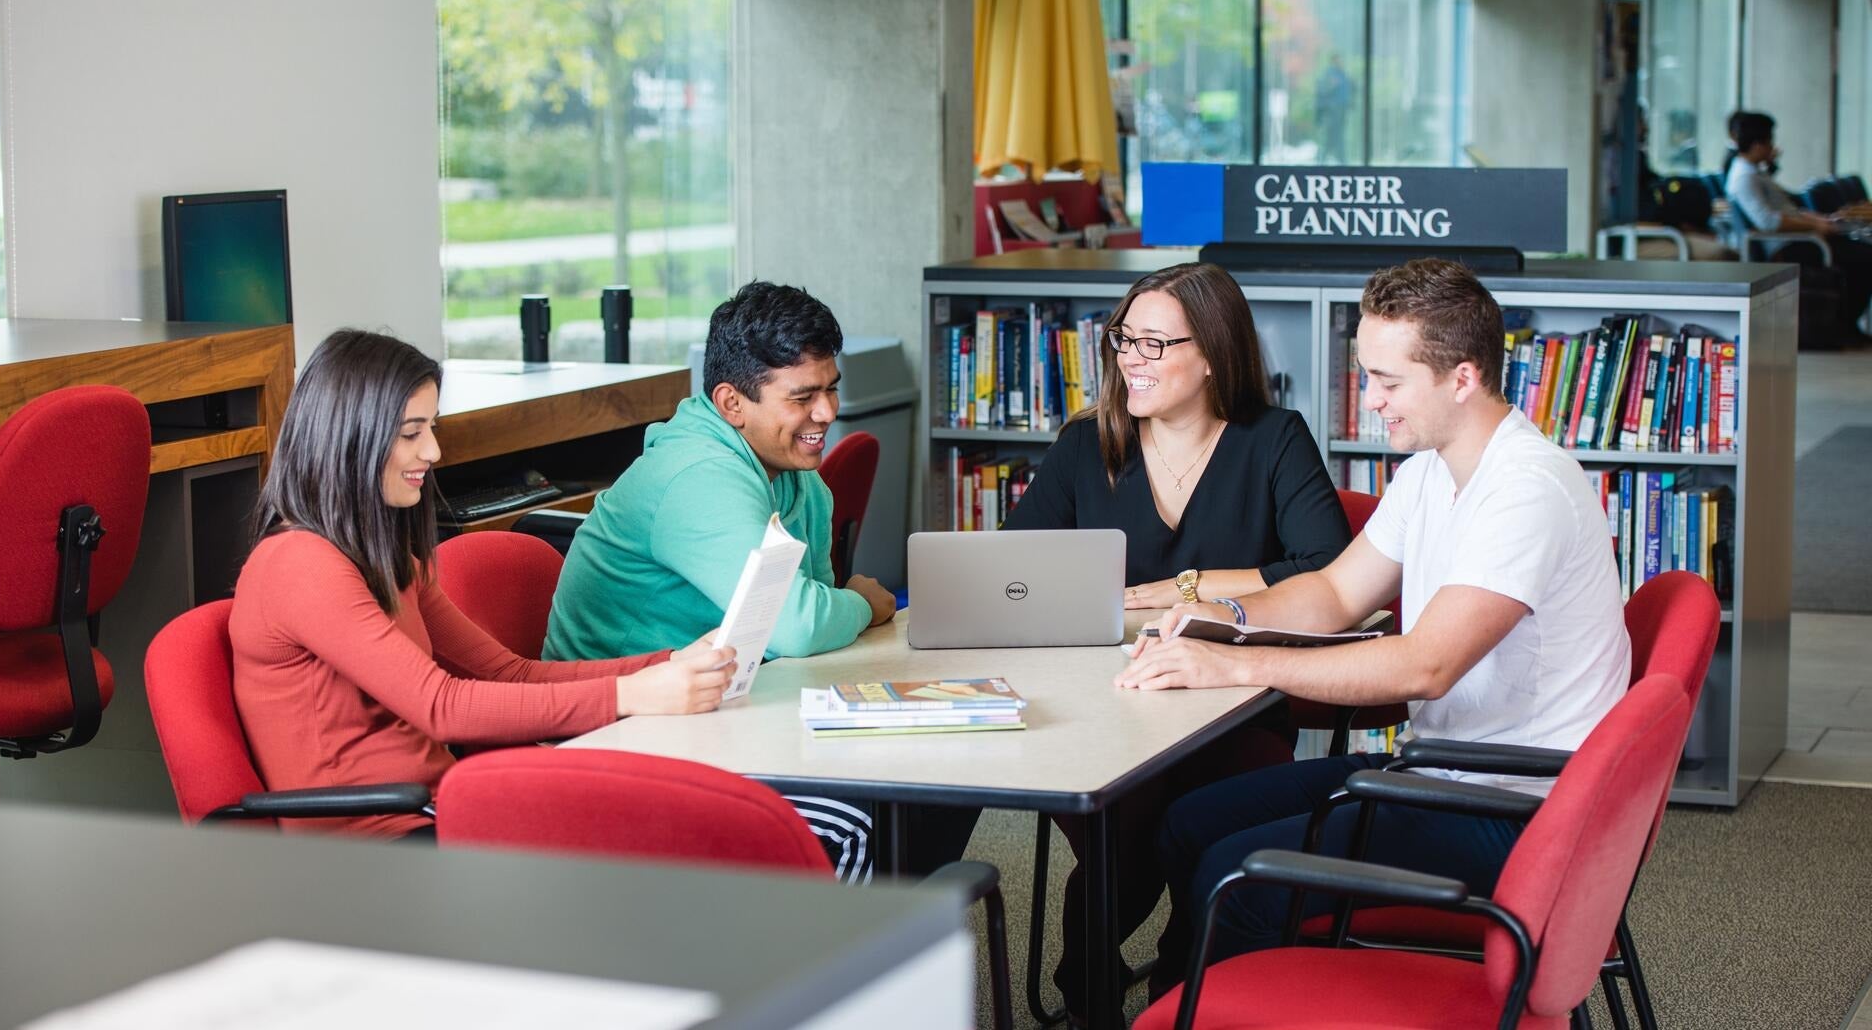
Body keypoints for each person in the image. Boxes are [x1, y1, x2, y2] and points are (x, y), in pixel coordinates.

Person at [1119, 258, 1631, 992]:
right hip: (1443, 772)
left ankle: (1223, 999)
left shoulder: (1526, 490)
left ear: (1462, 377)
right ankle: (1189, 996)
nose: (1371, 401)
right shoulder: (1430, 470)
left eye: (1389, 382)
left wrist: (1237, 666)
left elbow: (1424, 666)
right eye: (1368, 375)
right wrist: (1223, 619)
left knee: (1236, 876)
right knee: (1188, 824)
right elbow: (1332, 593)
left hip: (1519, 810)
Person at [1002, 260, 1352, 1020]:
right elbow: (1013, 571)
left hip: (1234, 703)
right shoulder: (1084, 445)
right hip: (1104, 702)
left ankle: (1178, 987)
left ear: (1213, 354)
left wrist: (1191, 587)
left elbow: (1327, 566)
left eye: (1155, 344)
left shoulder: (1273, 440)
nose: (1131, 357)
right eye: (1125, 338)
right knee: (1122, 823)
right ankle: (1097, 995)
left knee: (1181, 825)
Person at [231, 329, 734, 841]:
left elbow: (508, 674)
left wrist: (667, 665)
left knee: (672, 821)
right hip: (375, 843)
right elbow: (441, 706)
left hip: (439, 809)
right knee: (654, 838)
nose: (433, 450)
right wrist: (631, 694)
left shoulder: (385, 559)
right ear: (348, 439)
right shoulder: (300, 564)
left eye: (431, 427)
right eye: (410, 433)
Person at [544, 280, 971, 880]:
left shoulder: (801, 481)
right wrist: (861, 603)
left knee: (949, 769)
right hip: (624, 733)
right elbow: (800, 625)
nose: (826, 413)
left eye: (831, 390)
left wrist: (836, 612)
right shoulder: (697, 475)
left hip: (729, 707)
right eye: (802, 398)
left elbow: (812, 639)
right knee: (862, 818)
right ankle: (852, 952)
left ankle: (897, 933)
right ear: (731, 403)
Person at [1725, 110, 1872, 342]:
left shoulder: (1756, 173)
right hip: (1788, 246)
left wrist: (1817, 221)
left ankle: (1847, 325)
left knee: (1860, 252)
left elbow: (1787, 209)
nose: (1773, 146)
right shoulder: (1745, 177)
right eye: (1769, 140)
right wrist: (1814, 228)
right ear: (1758, 144)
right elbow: (1768, 221)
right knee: (1863, 258)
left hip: (1799, 238)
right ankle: (1847, 326)